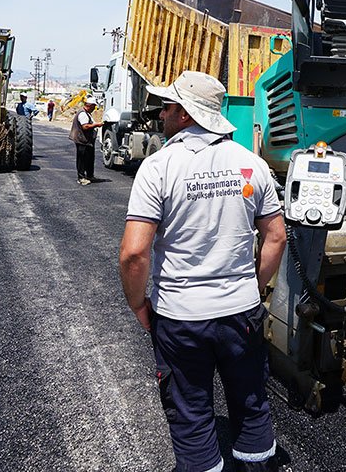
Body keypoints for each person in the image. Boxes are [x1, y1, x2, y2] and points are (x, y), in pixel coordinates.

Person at [118, 71, 287, 472]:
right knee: (250, 400)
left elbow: (134, 254)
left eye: (168, 106)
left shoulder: (158, 167)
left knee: (190, 409)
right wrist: (252, 288)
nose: (161, 114)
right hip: (241, 313)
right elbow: (276, 237)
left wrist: (139, 305)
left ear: (185, 114)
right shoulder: (252, 164)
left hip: (180, 317)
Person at [69, 96, 102, 185]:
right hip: (82, 140)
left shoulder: (87, 113)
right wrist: (96, 125)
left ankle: (89, 175)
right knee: (82, 160)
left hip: (87, 140)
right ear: (90, 106)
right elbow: (85, 126)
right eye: (93, 107)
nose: (94, 109)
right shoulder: (83, 114)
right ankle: (81, 177)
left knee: (89, 158)